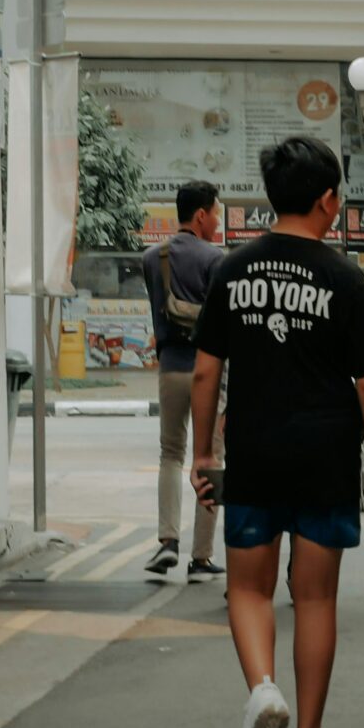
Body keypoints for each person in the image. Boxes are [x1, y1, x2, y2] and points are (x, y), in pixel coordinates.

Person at [189, 136, 364, 728]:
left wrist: (202, 451)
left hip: (253, 450)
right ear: (327, 199)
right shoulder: (342, 277)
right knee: (314, 598)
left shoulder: (232, 270)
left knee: (247, 588)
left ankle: (261, 692)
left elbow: (204, 373)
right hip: (325, 455)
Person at [142, 179, 224, 583]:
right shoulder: (216, 260)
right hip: (210, 371)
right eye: (217, 214)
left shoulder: (150, 258)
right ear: (201, 215)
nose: (219, 222)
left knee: (170, 454)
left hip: (171, 366)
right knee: (209, 458)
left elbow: (158, 314)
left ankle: (168, 542)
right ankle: (201, 559)